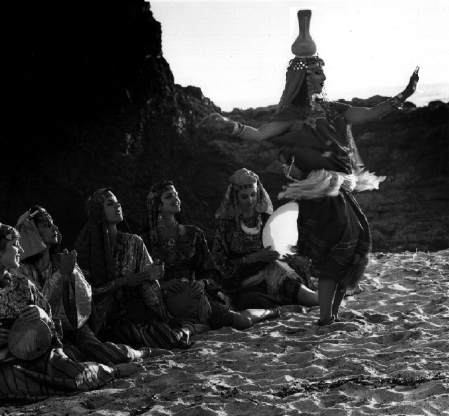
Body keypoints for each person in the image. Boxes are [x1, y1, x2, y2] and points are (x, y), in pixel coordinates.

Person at [201, 9, 419, 326]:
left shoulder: (333, 110)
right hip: (318, 192)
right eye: (318, 73)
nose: (324, 78)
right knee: (336, 250)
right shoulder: (291, 115)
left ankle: (329, 315)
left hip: (338, 189)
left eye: (322, 73)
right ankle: (325, 317)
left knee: (355, 242)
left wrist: (404, 94)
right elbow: (260, 134)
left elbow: (371, 113)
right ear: (305, 76)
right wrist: (227, 124)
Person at [0, 223, 140, 405]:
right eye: (14, 245)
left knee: (71, 373)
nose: (20, 249)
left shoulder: (23, 286)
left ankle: (111, 371)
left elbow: (52, 324)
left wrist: (41, 314)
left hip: (36, 355)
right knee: (12, 381)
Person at [15, 206, 172, 364]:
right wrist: (60, 276)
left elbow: (84, 298)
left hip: (76, 328)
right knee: (68, 361)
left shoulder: (62, 260)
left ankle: (142, 353)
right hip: (42, 333)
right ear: (33, 233)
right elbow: (37, 307)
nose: (55, 228)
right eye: (47, 225)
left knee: (106, 353)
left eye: (53, 224)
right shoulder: (21, 271)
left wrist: (71, 274)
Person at [142, 180, 281, 332]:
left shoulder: (194, 235)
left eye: (176, 195)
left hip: (196, 296)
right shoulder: (145, 241)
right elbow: (142, 277)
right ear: (158, 206)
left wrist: (202, 283)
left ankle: (271, 312)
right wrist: (162, 285)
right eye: (169, 196)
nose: (176, 199)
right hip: (162, 303)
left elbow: (212, 272)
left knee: (242, 321)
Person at [74, 188, 193, 350]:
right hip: (103, 319)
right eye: (110, 204)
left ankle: (188, 329)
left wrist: (154, 273)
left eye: (118, 203)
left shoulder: (134, 242)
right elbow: (86, 292)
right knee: (117, 342)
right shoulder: (87, 249)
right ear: (99, 212)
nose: (117, 206)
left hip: (133, 313)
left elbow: (148, 280)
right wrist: (122, 282)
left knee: (168, 338)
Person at [211, 168, 319, 310]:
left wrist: (286, 256)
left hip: (272, 272)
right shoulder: (226, 225)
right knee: (250, 301)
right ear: (235, 197)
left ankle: (318, 297)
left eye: (253, 195)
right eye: (244, 196)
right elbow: (218, 264)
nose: (250, 200)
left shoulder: (266, 218)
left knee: (294, 285)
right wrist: (252, 258)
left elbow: (282, 245)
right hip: (243, 282)